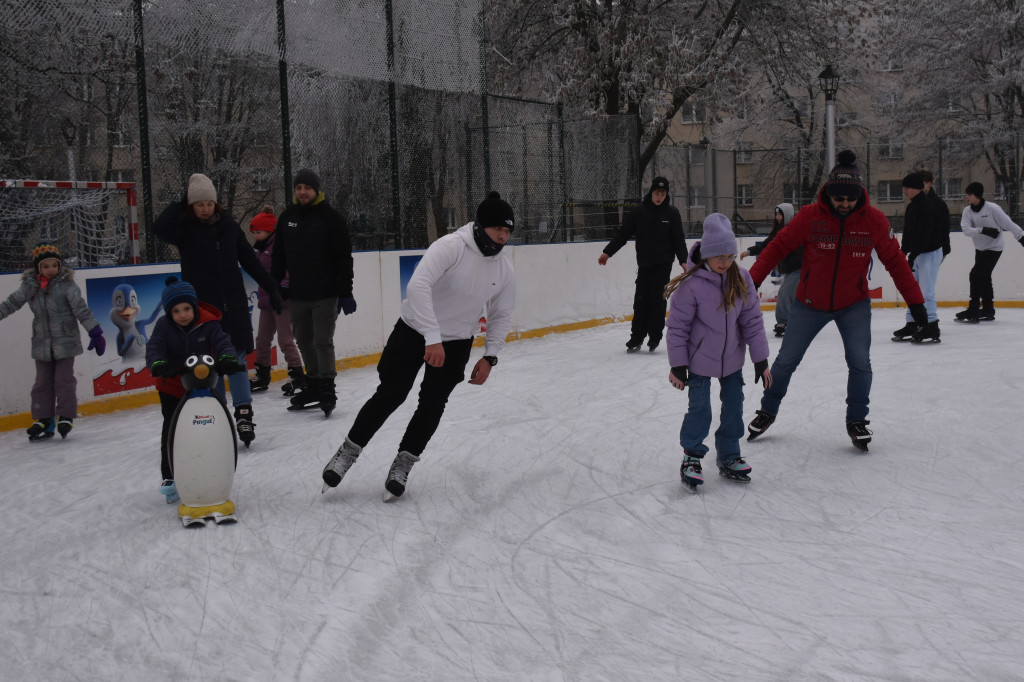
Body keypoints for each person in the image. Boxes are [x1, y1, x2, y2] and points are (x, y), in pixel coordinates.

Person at [320, 191, 517, 500]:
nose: (503, 237)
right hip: (414, 331)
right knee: (392, 393)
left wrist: (490, 356)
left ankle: (404, 462)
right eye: (498, 230)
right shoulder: (451, 247)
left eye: (507, 232)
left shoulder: (504, 269)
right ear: (481, 226)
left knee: (433, 404)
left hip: (457, 342)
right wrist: (432, 337)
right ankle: (348, 451)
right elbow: (417, 286)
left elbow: (502, 313)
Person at [744, 150, 927, 451]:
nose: (844, 204)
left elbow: (896, 262)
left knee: (860, 362)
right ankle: (767, 410)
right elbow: (777, 247)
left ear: (859, 195)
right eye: (838, 198)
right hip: (809, 303)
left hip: (852, 303)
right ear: (828, 193)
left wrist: (916, 304)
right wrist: (752, 281)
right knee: (786, 360)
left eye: (849, 199)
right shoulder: (809, 217)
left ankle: (857, 419)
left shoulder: (874, 222)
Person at [153, 173, 283, 447]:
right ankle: (220, 415)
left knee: (235, 363)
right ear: (191, 205)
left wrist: (271, 287)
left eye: (209, 203)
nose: (204, 208)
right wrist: (181, 202)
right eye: (198, 203)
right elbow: (158, 228)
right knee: (209, 366)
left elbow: (249, 260)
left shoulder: (229, 227)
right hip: (204, 311)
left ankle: (244, 414)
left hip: (234, 308)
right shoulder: (184, 229)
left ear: (216, 203)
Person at [665, 214, 772, 492]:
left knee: (734, 409)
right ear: (707, 254)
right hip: (699, 362)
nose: (725, 262)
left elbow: (752, 320)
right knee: (700, 411)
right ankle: (691, 456)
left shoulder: (741, 278)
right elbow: (677, 327)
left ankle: (728, 455)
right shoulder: (691, 285)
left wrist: (760, 359)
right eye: (719, 257)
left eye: (730, 256)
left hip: (732, 361)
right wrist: (678, 365)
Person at [146, 277, 240, 504]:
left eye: (187, 308)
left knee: (210, 428)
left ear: (195, 306)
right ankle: (170, 477)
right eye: (176, 310)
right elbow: (155, 347)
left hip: (203, 388)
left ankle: (211, 470)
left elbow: (223, 343)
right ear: (169, 312)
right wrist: (158, 363)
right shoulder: (164, 326)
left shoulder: (209, 323)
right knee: (171, 430)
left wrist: (227, 356)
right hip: (172, 387)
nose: (183, 314)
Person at [0, 242, 106, 441]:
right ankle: (43, 419)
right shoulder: (30, 286)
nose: (51, 270)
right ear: (38, 267)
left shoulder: (66, 284)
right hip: (42, 343)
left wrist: (95, 331)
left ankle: (65, 416)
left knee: (63, 381)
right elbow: (12, 302)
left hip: (66, 342)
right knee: (41, 383)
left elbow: (81, 310)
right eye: (46, 266)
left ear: (60, 265)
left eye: (54, 265)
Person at [271, 169, 356, 416]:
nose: (302, 192)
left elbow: (343, 259)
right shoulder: (287, 217)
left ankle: (327, 387)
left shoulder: (331, 218)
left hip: (325, 294)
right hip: (298, 294)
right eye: (298, 188)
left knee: (322, 341)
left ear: (316, 190)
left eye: (307, 188)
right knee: (304, 341)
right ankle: (314, 385)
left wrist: (345, 292)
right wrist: (275, 287)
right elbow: (279, 256)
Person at [598, 176, 687, 353]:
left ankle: (654, 337)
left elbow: (678, 240)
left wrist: (684, 261)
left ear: (666, 194)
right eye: (656, 193)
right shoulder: (639, 212)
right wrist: (608, 252)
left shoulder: (672, 214)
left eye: (662, 193)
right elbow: (623, 234)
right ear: (651, 192)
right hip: (645, 265)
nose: (659, 197)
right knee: (641, 302)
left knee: (657, 301)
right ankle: (636, 337)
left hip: (663, 265)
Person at [247, 205, 303, 393]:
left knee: (285, 339)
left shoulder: (280, 245)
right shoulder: (261, 248)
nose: (256, 236)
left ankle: (297, 374)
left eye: (259, 232)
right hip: (266, 301)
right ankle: (262, 374)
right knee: (262, 339)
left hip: (282, 301)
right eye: (253, 233)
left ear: (270, 230)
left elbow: (289, 270)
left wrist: (284, 287)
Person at [891, 172, 950, 343]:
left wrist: (913, 254)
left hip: (930, 253)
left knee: (926, 291)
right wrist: (904, 251)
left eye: (907, 188)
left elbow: (926, 233)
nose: (905, 191)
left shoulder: (928, 206)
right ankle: (913, 322)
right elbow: (909, 232)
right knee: (913, 290)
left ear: (916, 188)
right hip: (918, 254)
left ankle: (932, 325)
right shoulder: (912, 207)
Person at [957, 182, 1024, 322]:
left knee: (975, 275)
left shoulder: (993, 209)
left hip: (994, 248)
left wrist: (1021, 237)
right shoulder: (967, 211)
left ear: (977, 195)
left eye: (969, 194)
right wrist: (983, 230)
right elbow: (966, 230)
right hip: (980, 249)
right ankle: (988, 310)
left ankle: (973, 309)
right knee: (984, 277)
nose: (967, 197)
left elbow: (1008, 223)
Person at [740, 203, 800, 336]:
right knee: (794, 296)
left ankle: (783, 322)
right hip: (789, 270)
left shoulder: (796, 229)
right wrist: (750, 251)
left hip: (800, 269)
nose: (778, 218)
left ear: (788, 215)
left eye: (781, 215)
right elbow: (767, 245)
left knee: (784, 292)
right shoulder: (778, 232)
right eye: (777, 215)